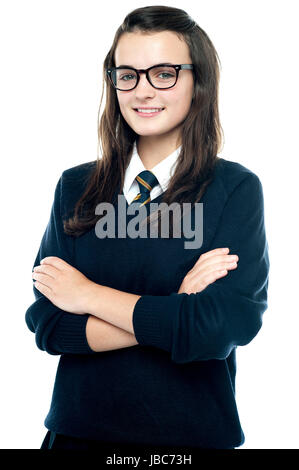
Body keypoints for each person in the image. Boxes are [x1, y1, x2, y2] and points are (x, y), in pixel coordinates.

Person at [26, 5, 270, 451]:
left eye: (164, 73)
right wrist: (175, 307)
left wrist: (89, 297)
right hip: (76, 436)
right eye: (128, 74)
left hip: (188, 442)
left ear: (199, 82)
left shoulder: (233, 189)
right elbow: (48, 324)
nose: (142, 91)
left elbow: (217, 328)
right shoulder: (75, 186)